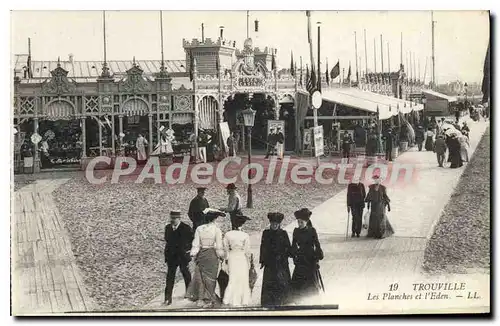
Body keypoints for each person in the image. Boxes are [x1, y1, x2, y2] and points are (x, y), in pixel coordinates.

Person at [185, 208, 226, 307]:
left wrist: (193, 254)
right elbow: (218, 246)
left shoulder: (199, 229)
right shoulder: (217, 230)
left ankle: (201, 299)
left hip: (202, 254)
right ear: (214, 219)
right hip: (212, 255)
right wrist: (221, 256)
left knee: (201, 277)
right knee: (211, 278)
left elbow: (196, 244)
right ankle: (209, 299)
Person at [289, 208, 324, 302]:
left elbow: (317, 244)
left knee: (311, 279)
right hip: (300, 257)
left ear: (306, 221)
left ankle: (313, 298)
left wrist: (317, 256)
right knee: (299, 278)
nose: (299, 224)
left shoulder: (312, 231)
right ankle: (298, 299)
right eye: (298, 222)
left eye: (301, 222)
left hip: (310, 257)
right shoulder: (296, 231)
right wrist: (294, 256)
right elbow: (294, 245)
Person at [260, 212, 292, 307]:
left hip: (281, 262)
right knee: (270, 281)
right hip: (270, 262)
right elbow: (263, 247)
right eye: (273, 224)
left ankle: (283, 300)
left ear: (279, 224)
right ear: (270, 223)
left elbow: (288, 246)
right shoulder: (266, 233)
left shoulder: (283, 233)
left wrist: (288, 254)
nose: (274, 226)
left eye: (276, 224)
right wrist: (262, 260)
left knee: (282, 281)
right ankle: (269, 301)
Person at [164, 210, 193, 305]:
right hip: (171, 257)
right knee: (170, 277)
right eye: (171, 218)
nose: (172, 220)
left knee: (186, 274)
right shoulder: (168, 228)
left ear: (179, 218)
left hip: (182, 256)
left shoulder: (186, 228)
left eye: (174, 218)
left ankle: (189, 294)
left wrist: (187, 251)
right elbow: (167, 240)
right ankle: (167, 298)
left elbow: (191, 240)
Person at [222, 214, 252, 306]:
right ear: (242, 224)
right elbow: (247, 251)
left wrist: (226, 259)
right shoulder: (245, 235)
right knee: (242, 278)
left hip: (232, 257)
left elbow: (225, 249)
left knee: (232, 278)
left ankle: (228, 299)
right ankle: (244, 300)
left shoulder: (227, 234)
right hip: (242, 257)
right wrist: (249, 261)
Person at [365, 175, 394, 239]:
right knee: (373, 219)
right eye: (375, 179)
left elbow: (385, 196)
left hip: (381, 206)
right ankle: (373, 233)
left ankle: (381, 234)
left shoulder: (383, 188)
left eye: (377, 179)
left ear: (380, 180)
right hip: (373, 206)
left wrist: (388, 204)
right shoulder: (371, 187)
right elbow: (369, 195)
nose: (376, 180)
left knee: (381, 219)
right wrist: (367, 202)